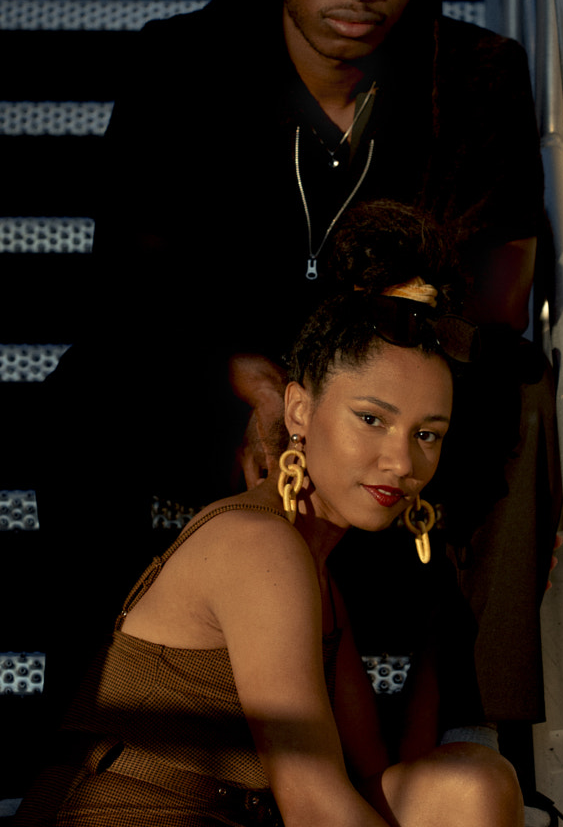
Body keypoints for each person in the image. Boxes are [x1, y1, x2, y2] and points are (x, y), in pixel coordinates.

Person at [42, 0, 558, 805]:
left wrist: (349, 384)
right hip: (220, 382)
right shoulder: (175, 65)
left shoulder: (478, 78)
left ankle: (461, 710)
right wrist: (232, 373)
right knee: (77, 397)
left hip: (386, 380)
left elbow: (497, 297)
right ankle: (88, 705)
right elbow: (127, 278)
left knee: (523, 401)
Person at [15, 202, 524, 827]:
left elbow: (370, 778)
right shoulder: (259, 547)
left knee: (468, 783)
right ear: (300, 411)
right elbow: (315, 807)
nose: (401, 461)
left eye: (428, 434)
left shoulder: (315, 570)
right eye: (372, 419)